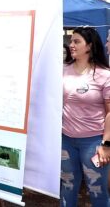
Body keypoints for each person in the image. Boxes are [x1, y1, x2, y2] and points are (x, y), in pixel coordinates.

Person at [61, 27, 110, 207]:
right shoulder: (63, 70)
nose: (71, 45)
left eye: (76, 41)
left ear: (89, 46)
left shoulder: (104, 75)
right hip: (65, 140)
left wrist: (106, 145)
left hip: (93, 143)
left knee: (97, 190)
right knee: (67, 186)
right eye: (71, 41)